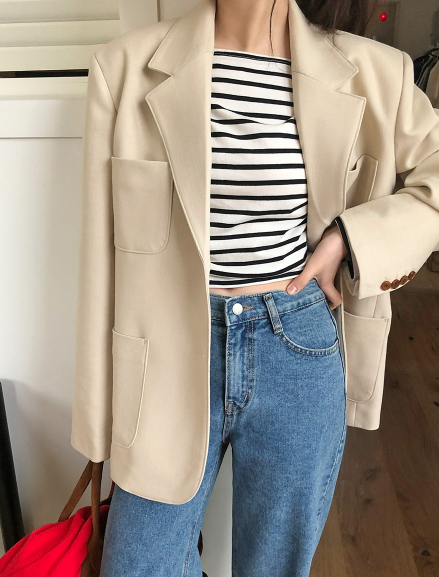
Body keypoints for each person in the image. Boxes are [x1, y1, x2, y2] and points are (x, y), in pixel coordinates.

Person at [70, 0, 439, 575]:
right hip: (166, 356)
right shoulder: (124, 67)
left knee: (273, 567)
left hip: (295, 345)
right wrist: (98, 424)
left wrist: (348, 239)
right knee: (137, 565)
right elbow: (100, 256)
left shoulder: (375, 72)